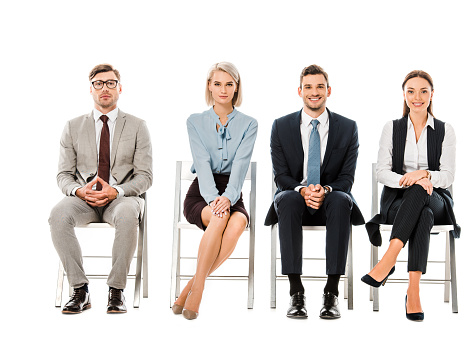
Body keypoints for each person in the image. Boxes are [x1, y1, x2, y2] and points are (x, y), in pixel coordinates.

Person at [48, 64, 153, 314]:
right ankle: (79, 289)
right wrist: (78, 191)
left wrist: (116, 191)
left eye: (110, 82)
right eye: (98, 83)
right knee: (58, 215)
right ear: (91, 89)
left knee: (128, 214)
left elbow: (145, 176)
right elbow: (63, 175)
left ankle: (116, 291)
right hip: (84, 198)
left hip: (122, 199)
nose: (104, 88)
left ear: (119, 88)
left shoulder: (138, 126)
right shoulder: (72, 127)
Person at [264, 64, 364, 319]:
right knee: (285, 199)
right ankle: (296, 292)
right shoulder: (281, 126)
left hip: (332, 200)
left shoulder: (348, 127)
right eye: (308, 87)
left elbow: (347, 177)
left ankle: (331, 293)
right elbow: (281, 175)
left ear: (328, 90)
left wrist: (326, 189)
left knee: (342, 200)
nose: (314, 92)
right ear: (300, 91)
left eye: (320, 86)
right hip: (294, 200)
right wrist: (302, 190)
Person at [362, 70, 459, 321]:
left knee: (424, 196)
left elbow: (447, 176)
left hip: (436, 200)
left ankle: (388, 260)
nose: (418, 97)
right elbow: (382, 173)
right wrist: (410, 180)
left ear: (432, 94)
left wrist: (424, 175)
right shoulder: (391, 128)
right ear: (404, 95)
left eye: (423, 91)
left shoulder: (445, 130)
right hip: (397, 203)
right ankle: (413, 292)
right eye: (411, 91)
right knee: (421, 213)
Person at [172, 62, 257, 320]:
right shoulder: (195, 121)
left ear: (236, 88)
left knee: (237, 223)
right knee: (219, 218)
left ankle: (191, 286)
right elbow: (202, 162)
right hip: (202, 193)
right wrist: (214, 199)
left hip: (233, 193)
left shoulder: (249, 124)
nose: (223, 89)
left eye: (229, 84)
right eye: (217, 83)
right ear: (209, 86)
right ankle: (196, 294)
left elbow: (241, 166)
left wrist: (229, 198)